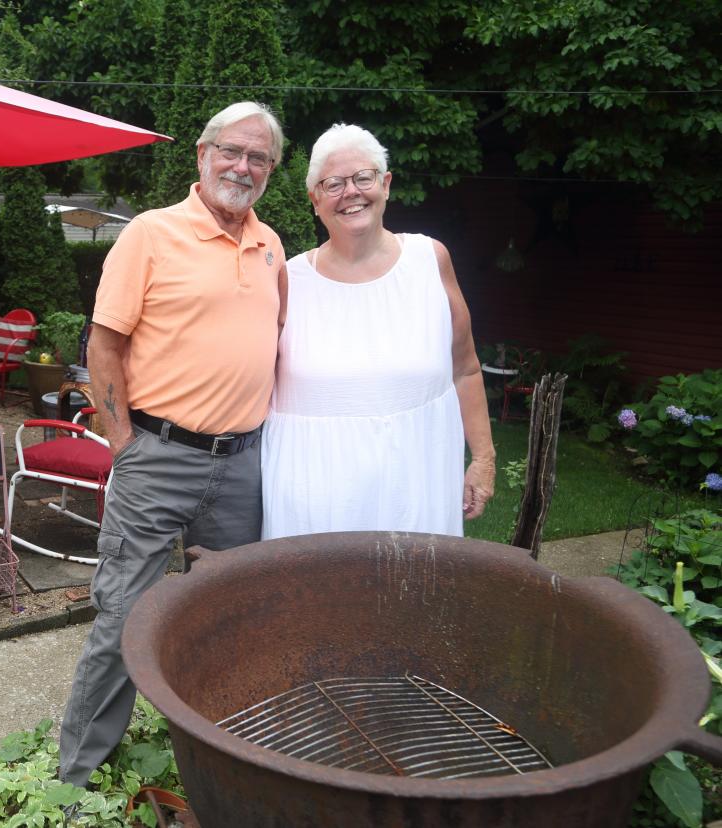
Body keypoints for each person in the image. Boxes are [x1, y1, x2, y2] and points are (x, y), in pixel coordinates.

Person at [58, 101, 287, 788]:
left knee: (227, 617)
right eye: (231, 151)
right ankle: (75, 778)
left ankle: (220, 756)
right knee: (126, 616)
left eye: (258, 158)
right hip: (156, 458)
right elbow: (104, 344)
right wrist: (121, 440)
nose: (241, 167)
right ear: (202, 154)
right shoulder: (150, 235)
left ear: (271, 172)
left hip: (241, 464)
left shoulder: (271, 245)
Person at [261, 123, 495, 539]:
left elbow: (466, 369)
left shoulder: (430, 259)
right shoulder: (288, 278)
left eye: (363, 178)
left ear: (385, 184)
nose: (350, 192)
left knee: (412, 597)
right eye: (332, 184)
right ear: (314, 200)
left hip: (417, 489)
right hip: (313, 498)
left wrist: (483, 459)